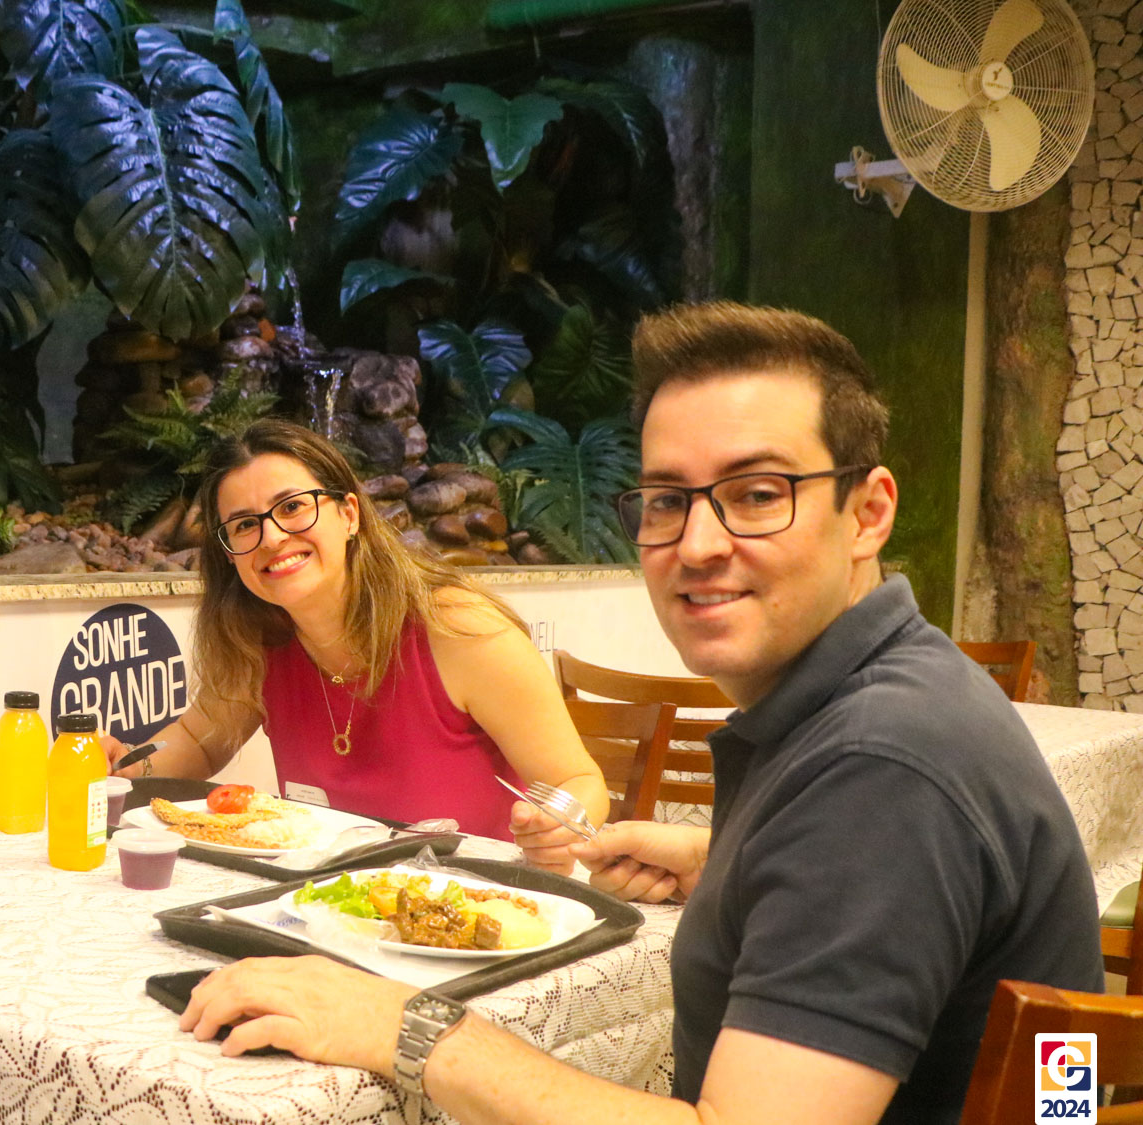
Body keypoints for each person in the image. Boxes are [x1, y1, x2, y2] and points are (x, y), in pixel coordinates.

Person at [176, 303, 1103, 1124]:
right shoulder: (890, 701)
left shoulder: (883, 765)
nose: (697, 543)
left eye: (757, 494)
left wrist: (403, 1025)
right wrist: (729, 863)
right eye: (665, 501)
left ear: (868, 512)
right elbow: (1057, 1080)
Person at [105, 418, 606, 868]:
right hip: (325, 906)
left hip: (473, 904)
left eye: (292, 507)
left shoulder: (458, 626)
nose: (272, 538)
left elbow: (578, 782)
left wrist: (555, 829)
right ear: (229, 554)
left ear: (349, 514)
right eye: (244, 525)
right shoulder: (260, 641)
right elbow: (197, 741)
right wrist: (117, 765)